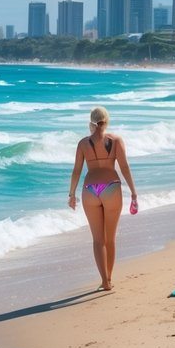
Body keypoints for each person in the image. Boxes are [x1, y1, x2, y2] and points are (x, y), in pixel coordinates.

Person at [68, 106, 138, 291]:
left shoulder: (83, 143)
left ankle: (104, 282)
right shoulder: (115, 140)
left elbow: (76, 170)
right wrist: (133, 192)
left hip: (90, 189)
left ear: (91, 123)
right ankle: (109, 278)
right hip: (111, 188)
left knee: (98, 240)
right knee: (110, 239)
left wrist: (71, 194)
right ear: (107, 121)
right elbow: (124, 167)